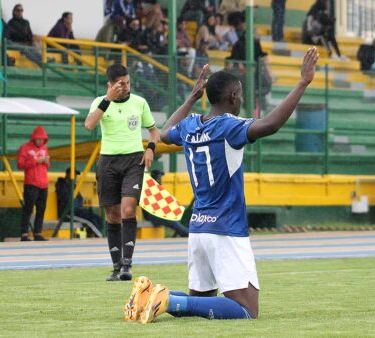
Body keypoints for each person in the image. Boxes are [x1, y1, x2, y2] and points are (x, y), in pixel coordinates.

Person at [123, 48, 318, 324]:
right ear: (233, 96)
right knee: (246, 309)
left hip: (199, 228)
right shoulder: (230, 127)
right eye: (240, 95)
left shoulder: (190, 126)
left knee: (200, 305)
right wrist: (302, 82)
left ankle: (149, 296)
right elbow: (271, 125)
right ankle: (167, 298)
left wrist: (192, 97)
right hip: (226, 228)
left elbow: (164, 133)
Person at [84, 64, 160, 282]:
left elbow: (154, 131)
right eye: (121, 83)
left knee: (128, 209)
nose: (126, 87)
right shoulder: (100, 102)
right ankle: (116, 267)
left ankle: (127, 266)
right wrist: (107, 99)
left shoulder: (139, 102)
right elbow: (89, 124)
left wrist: (150, 148)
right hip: (107, 162)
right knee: (112, 214)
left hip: (133, 160)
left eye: (128, 82)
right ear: (110, 84)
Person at [17, 126, 50, 242]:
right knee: (28, 209)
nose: (40, 141)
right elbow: (20, 165)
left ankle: (37, 232)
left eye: (42, 139)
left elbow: (47, 166)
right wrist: (36, 161)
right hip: (31, 183)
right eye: (38, 139)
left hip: (44, 184)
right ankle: (24, 233)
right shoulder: (25, 148)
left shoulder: (45, 149)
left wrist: (46, 162)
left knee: (41, 209)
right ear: (34, 138)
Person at [141, 170, 189, 237]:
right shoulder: (150, 187)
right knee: (169, 219)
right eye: (159, 178)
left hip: (156, 213)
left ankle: (185, 231)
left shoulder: (157, 187)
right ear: (155, 178)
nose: (160, 179)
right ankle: (185, 232)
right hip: (151, 215)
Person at [55, 168, 102, 236]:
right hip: (67, 213)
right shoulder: (61, 185)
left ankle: (106, 234)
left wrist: (79, 207)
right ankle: (100, 235)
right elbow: (66, 199)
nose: (75, 177)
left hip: (77, 210)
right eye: (73, 175)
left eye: (76, 175)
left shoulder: (73, 185)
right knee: (90, 219)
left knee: (96, 217)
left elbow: (80, 198)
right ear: (68, 174)